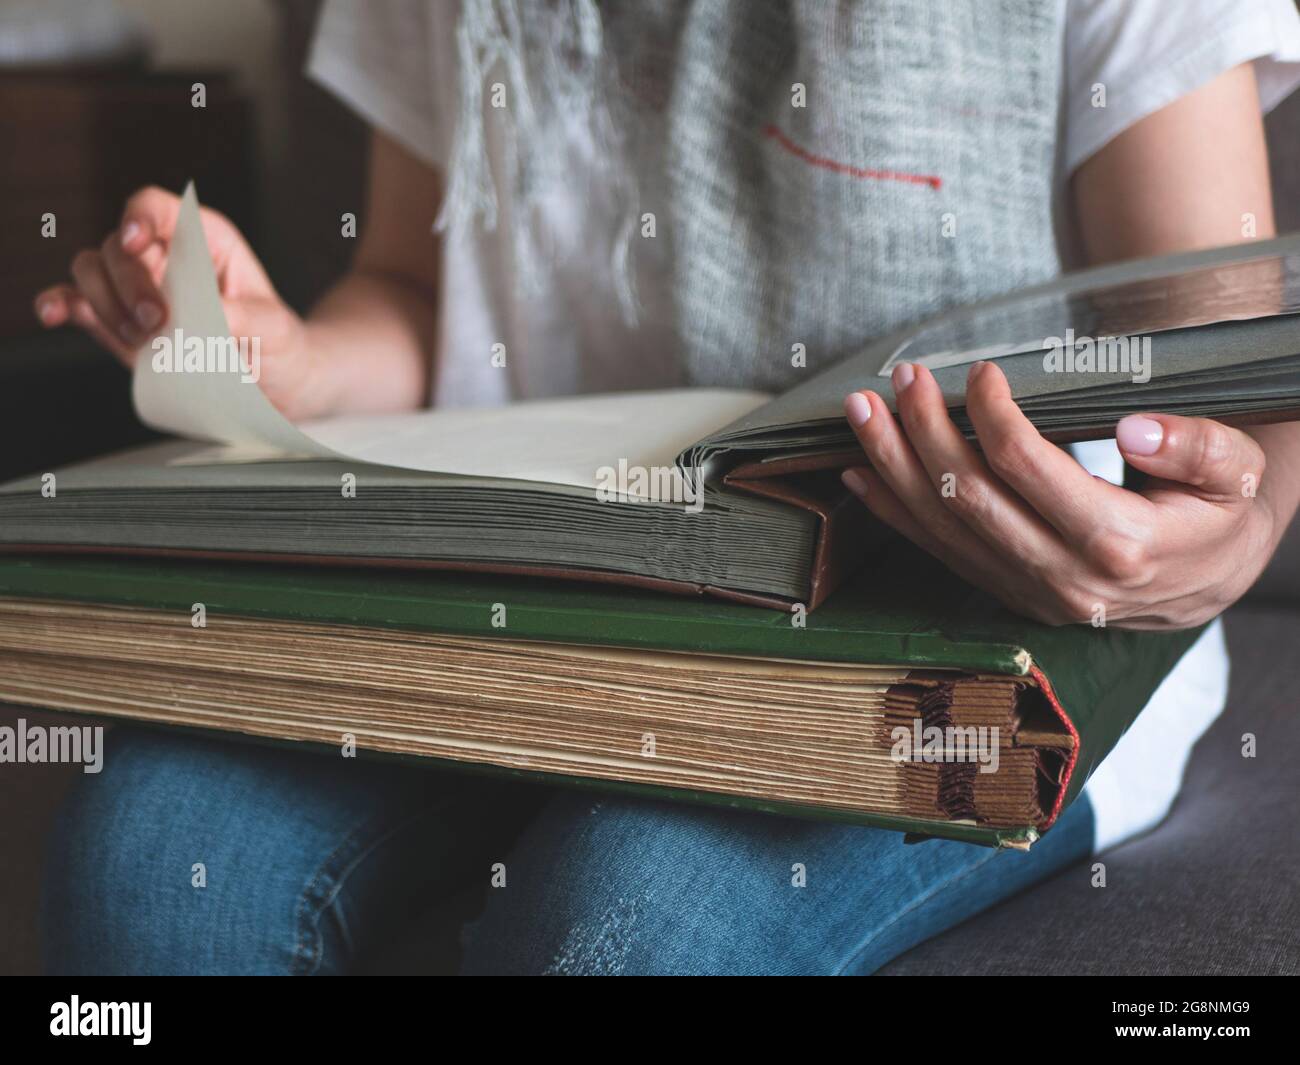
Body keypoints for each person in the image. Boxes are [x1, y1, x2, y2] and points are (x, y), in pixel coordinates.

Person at [34, 0, 1300, 975]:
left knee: (624, 930)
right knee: (144, 865)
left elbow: (1224, 365)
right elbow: (420, 300)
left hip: (962, 632)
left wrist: (1240, 529)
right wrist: (291, 363)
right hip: (522, 597)